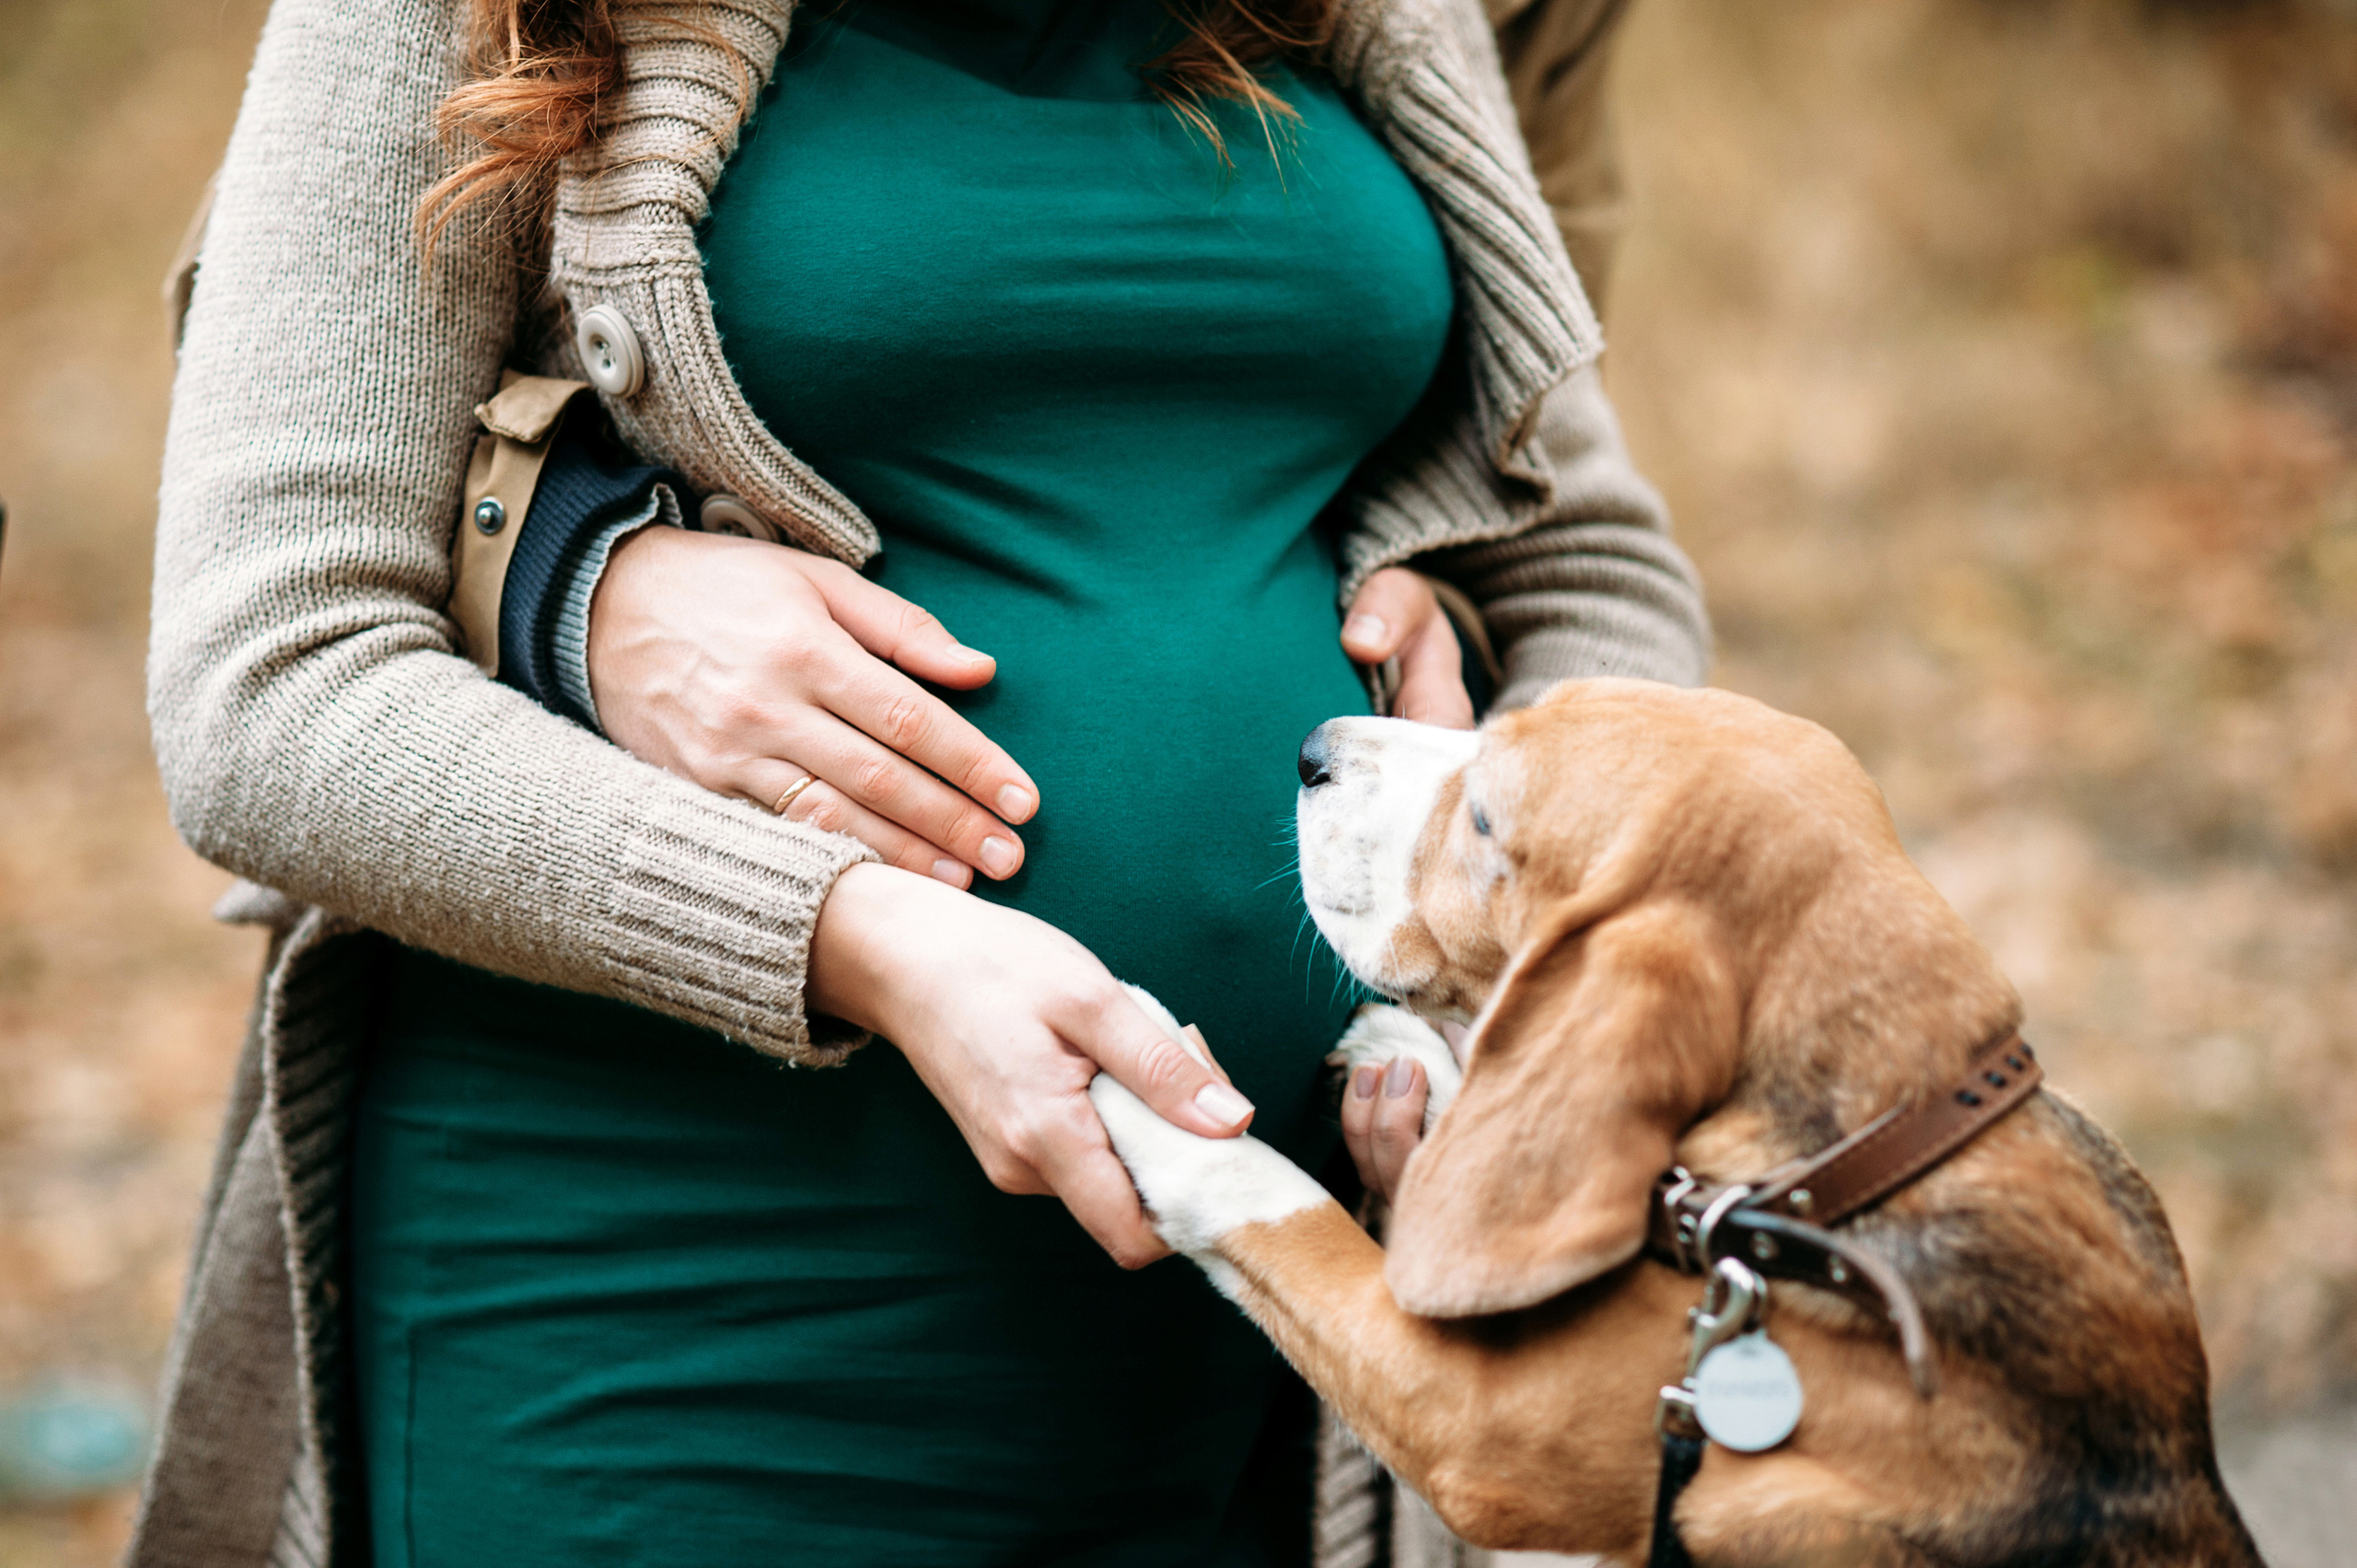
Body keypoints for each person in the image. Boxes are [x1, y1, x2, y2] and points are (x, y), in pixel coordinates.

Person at [136, 0, 1705, 1561]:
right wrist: (853, 936)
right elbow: (275, 677)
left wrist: (1497, 897)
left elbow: (1588, 564)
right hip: (675, 1318)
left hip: (1283, 1346)